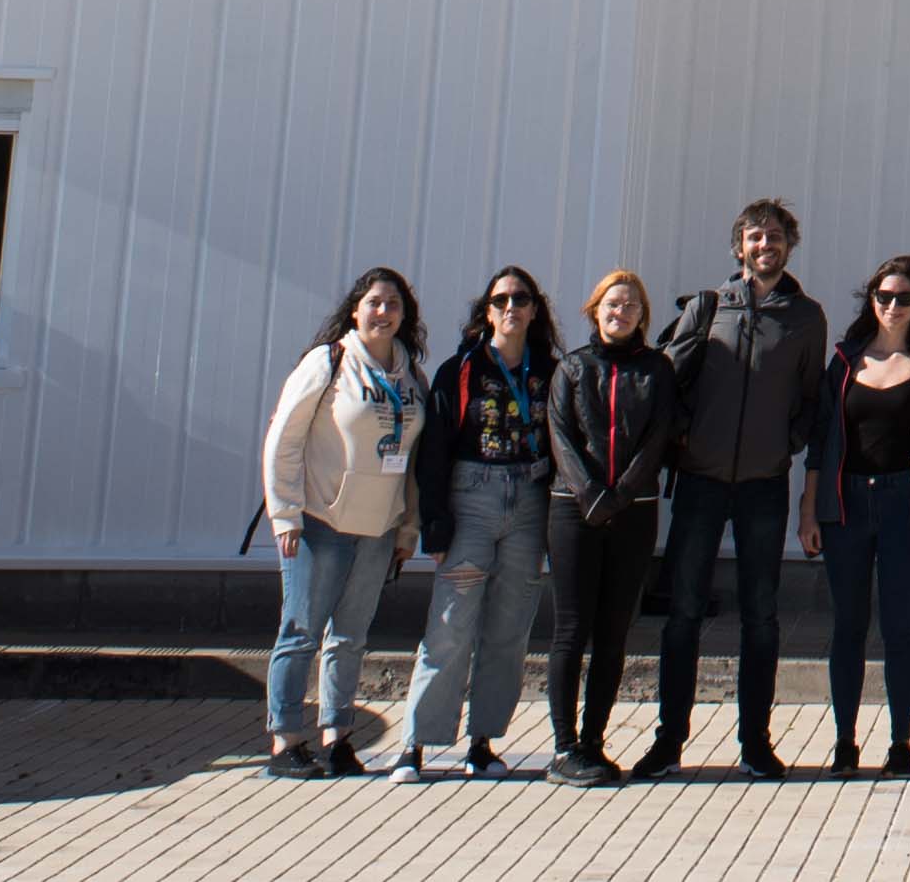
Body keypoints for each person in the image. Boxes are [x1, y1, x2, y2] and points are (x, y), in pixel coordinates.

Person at [653, 200, 830, 777]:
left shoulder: (806, 317)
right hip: (701, 481)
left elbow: (811, 399)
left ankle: (756, 741)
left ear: (788, 245)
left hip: (762, 484)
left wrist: (787, 444)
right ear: (739, 247)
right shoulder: (708, 307)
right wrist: (684, 440)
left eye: (774, 237)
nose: (764, 246)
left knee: (761, 616)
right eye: (754, 237)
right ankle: (669, 740)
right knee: (682, 614)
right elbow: (670, 384)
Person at [260, 267, 426, 778]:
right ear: (356, 309)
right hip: (320, 522)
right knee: (302, 631)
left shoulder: (411, 375)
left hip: (378, 528)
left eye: (393, 304)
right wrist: (284, 512)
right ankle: (286, 739)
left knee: (350, 636)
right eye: (374, 302)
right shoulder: (329, 361)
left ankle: (337, 737)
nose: (383, 312)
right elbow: (283, 438)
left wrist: (407, 528)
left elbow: (415, 461)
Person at [398, 266, 559, 778]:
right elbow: (435, 450)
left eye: (522, 298)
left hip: (530, 499)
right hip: (473, 497)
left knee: (510, 628)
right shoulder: (460, 371)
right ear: (486, 311)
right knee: (450, 625)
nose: (512, 307)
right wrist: (434, 521)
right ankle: (416, 743)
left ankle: (483, 742)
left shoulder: (551, 372)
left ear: (535, 310)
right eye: (501, 299)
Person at [540, 270, 679, 784]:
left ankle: (594, 743)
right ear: (595, 310)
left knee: (614, 632)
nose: (621, 313)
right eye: (611, 305)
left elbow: (658, 434)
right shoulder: (573, 367)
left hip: (633, 509)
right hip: (573, 510)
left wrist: (621, 495)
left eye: (631, 306)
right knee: (571, 629)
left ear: (643, 315)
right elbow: (560, 433)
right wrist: (589, 493)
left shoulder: (656, 369)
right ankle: (563, 746)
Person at [819, 253, 910, 775]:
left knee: (899, 626)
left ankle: (900, 740)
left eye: (904, 298)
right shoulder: (846, 361)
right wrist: (812, 510)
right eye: (884, 296)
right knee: (848, 625)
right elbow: (820, 442)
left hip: (904, 504)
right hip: (848, 502)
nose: (892, 306)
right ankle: (845, 741)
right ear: (871, 300)